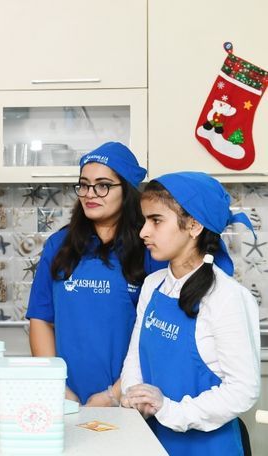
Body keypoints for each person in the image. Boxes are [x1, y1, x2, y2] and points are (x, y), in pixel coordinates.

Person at [121, 172, 260, 456]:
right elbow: (135, 357)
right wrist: (134, 395)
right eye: (145, 220)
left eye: (156, 220)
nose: (143, 232)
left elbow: (243, 389)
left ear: (194, 225)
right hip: (152, 441)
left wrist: (170, 410)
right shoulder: (153, 285)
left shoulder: (226, 296)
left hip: (209, 448)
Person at [26, 142, 166, 406]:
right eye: (84, 185)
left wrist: (114, 395)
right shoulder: (59, 245)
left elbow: (158, 336)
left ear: (127, 189)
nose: (90, 194)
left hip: (129, 398)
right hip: (66, 397)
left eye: (103, 185)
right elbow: (41, 319)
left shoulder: (149, 247)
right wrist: (57, 387)